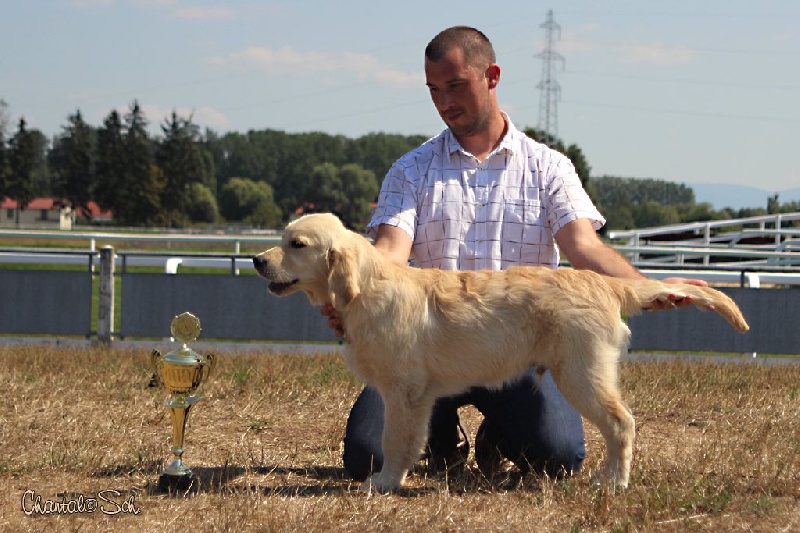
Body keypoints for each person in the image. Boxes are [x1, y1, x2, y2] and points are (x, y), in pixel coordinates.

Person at [322, 25, 706, 482]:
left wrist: (649, 289)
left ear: (492, 76)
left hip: (517, 353)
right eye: (433, 90)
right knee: (366, 457)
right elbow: (390, 252)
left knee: (559, 459)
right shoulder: (410, 170)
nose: (444, 102)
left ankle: (498, 432)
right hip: (425, 346)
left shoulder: (549, 167)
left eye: (455, 86)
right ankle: (441, 441)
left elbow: (583, 247)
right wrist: (351, 292)